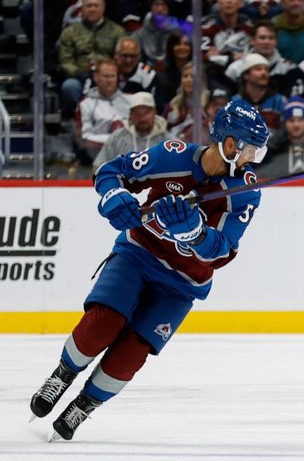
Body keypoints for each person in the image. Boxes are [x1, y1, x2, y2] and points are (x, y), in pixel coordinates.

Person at [29, 98, 270, 441]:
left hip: (183, 284)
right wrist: (114, 196)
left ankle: (85, 403)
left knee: (133, 350)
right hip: (138, 255)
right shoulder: (173, 156)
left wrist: (194, 234)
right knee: (104, 321)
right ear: (231, 143)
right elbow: (112, 171)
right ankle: (63, 373)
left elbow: (222, 251)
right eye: (251, 151)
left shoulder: (245, 192)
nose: (253, 160)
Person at [93, 91, 169, 169]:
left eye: (146, 113)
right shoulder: (117, 138)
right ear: (130, 115)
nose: (142, 118)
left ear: (154, 112)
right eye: (137, 113)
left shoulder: (168, 141)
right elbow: (99, 168)